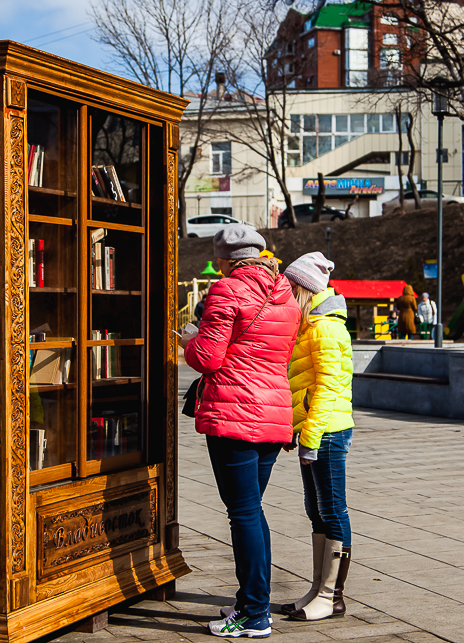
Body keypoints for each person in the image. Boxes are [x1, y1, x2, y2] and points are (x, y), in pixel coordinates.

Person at [182, 224, 301, 638]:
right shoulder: (287, 294)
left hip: (233, 415)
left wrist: (189, 340)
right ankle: (255, 604)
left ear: (224, 259)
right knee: (252, 511)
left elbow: (208, 358)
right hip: (273, 416)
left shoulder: (226, 290)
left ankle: (254, 614)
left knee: (243, 514)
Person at [281, 252, 354, 621]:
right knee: (317, 511)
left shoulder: (326, 327)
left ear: (305, 289)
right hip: (315, 430)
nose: (286, 292)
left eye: (290, 286)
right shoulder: (310, 324)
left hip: (327, 432)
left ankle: (332, 596)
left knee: (332, 509)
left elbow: (328, 386)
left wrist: (309, 435)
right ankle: (317, 589)